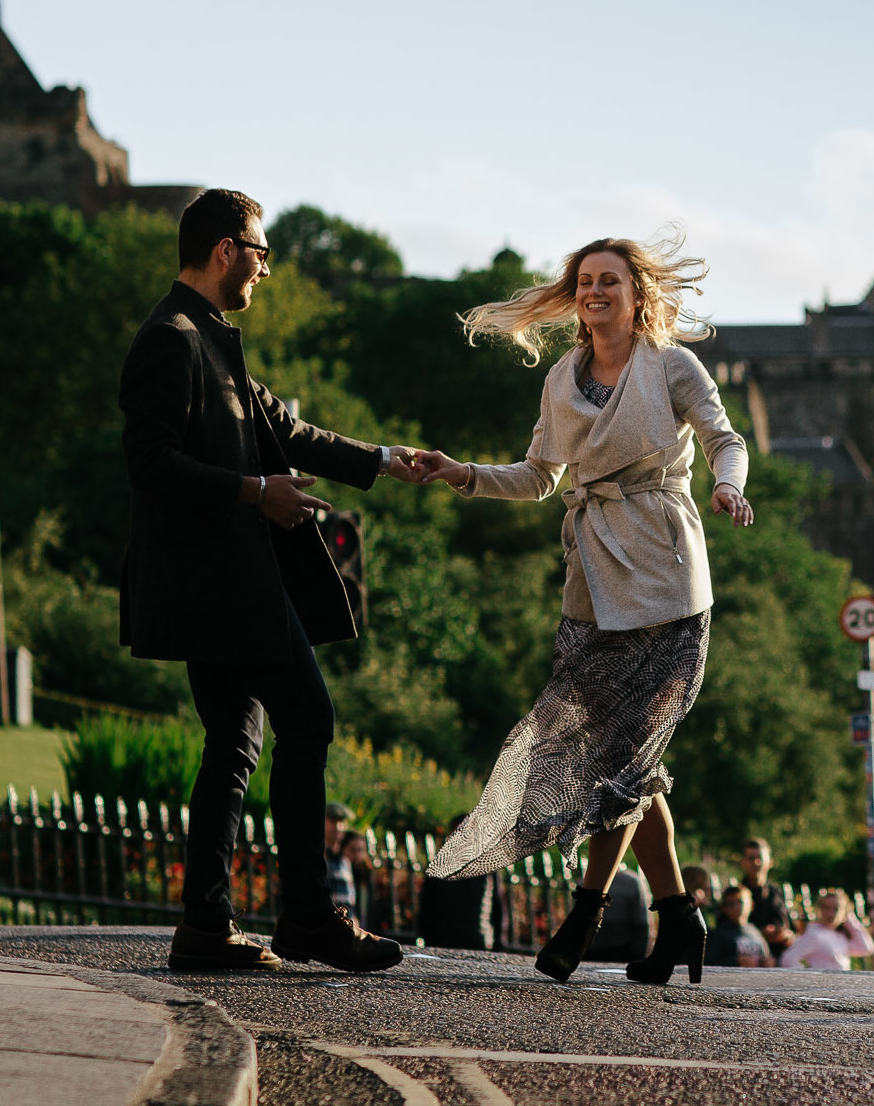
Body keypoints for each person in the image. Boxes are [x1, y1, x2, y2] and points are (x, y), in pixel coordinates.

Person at [400, 232, 753, 986]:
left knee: (621, 764)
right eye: (585, 281)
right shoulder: (562, 378)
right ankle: (680, 921)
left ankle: (587, 913)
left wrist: (728, 485)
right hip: (593, 591)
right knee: (627, 765)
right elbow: (537, 476)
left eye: (610, 282)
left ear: (636, 296)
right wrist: (460, 472)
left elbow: (727, 440)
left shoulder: (672, 365)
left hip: (666, 584)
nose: (595, 292)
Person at [120, 188, 413, 975]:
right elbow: (148, 464)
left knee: (235, 743)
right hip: (218, 584)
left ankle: (204, 927)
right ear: (225, 252)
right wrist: (257, 493)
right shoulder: (170, 339)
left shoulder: (211, 339)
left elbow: (284, 430)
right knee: (308, 719)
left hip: (223, 584)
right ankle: (309, 916)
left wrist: (387, 460)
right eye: (260, 252)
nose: (265, 269)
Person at [778, 888, 874, 971]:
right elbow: (788, 959)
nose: (831, 913)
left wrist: (850, 919)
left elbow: (866, 948)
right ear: (819, 909)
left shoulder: (839, 935)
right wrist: (809, 977)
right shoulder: (815, 934)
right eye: (826, 908)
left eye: (836, 909)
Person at [738, 837, 794, 956]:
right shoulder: (736, 895)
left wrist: (786, 936)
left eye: (760, 858)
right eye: (751, 858)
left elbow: (791, 929)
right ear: (743, 862)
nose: (756, 863)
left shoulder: (778, 892)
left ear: (770, 862)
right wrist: (760, 934)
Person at [705, 884, 772, 968]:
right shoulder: (719, 935)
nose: (736, 907)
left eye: (741, 902)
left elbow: (767, 956)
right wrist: (735, 962)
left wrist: (769, 962)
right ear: (724, 908)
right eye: (731, 904)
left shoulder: (755, 931)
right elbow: (709, 964)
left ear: (752, 905)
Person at [324, 802, 357, 915]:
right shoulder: (320, 857)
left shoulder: (344, 861)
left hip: (346, 924)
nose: (338, 827)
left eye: (341, 822)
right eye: (333, 821)